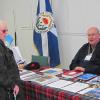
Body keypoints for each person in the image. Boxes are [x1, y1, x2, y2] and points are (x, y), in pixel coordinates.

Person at [0, 20, 25, 99]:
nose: (6, 33)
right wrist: (12, 85)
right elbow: (1, 72)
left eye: (7, 30)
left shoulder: (3, 44)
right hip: (6, 91)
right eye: (4, 31)